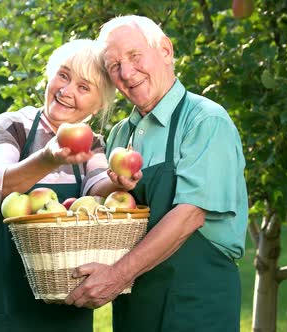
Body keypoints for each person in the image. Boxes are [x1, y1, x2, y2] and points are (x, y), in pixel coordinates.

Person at [64, 15, 249, 332]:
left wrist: (118, 275)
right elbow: (105, 210)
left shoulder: (205, 120)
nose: (126, 73)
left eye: (135, 56)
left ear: (165, 50)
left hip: (196, 301)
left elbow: (190, 215)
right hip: (136, 305)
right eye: (114, 66)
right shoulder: (122, 135)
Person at [0, 39, 121, 332]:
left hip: (64, 299)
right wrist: (48, 158)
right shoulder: (12, 126)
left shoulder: (93, 144)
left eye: (84, 88)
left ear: (99, 104)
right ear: (49, 74)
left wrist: (118, 181)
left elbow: (97, 188)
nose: (67, 91)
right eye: (63, 75)